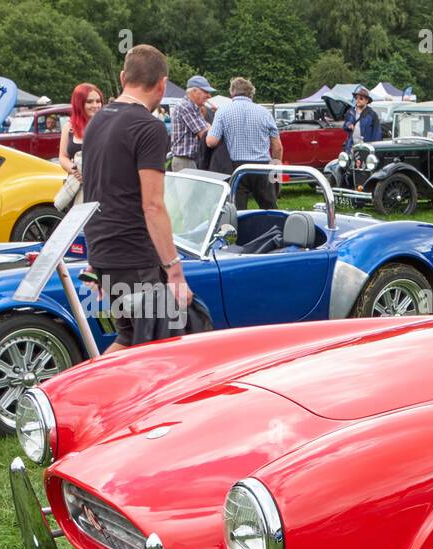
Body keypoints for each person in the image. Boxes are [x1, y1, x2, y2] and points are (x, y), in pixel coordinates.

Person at [80, 44, 192, 352]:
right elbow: (153, 204)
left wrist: (94, 261)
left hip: (104, 251)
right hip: (134, 255)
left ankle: (95, 396)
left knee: (129, 338)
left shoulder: (97, 122)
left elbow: (94, 191)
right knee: (158, 347)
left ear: (122, 77)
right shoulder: (149, 127)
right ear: (161, 84)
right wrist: (175, 270)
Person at [206, 77, 282, 209]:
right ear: (251, 93)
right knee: (270, 208)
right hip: (263, 167)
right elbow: (277, 147)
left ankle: (239, 229)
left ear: (232, 93)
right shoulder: (265, 113)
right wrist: (276, 170)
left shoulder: (222, 112)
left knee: (237, 212)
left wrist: (208, 130)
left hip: (236, 167)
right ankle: (274, 229)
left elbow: (211, 142)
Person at [170, 75, 215, 171]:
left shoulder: (193, 107)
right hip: (185, 162)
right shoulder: (186, 106)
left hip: (188, 161)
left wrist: (209, 127)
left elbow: (207, 130)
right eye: (205, 92)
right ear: (194, 91)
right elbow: (204, 134)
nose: (209, 96)